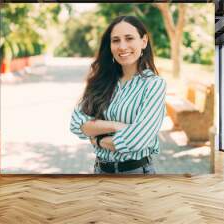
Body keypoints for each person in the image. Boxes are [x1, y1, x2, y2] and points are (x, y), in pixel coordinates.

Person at [70, 15, 166, 174]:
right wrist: (116, 126)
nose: (122, 46)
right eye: (115, 40)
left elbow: (137, 141)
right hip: (100, 171)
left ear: (144, 41)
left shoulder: (154, 85)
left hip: (136, 174)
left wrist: (98, 139)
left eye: (129, 38)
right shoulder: (102, 81)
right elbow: (76, 124)